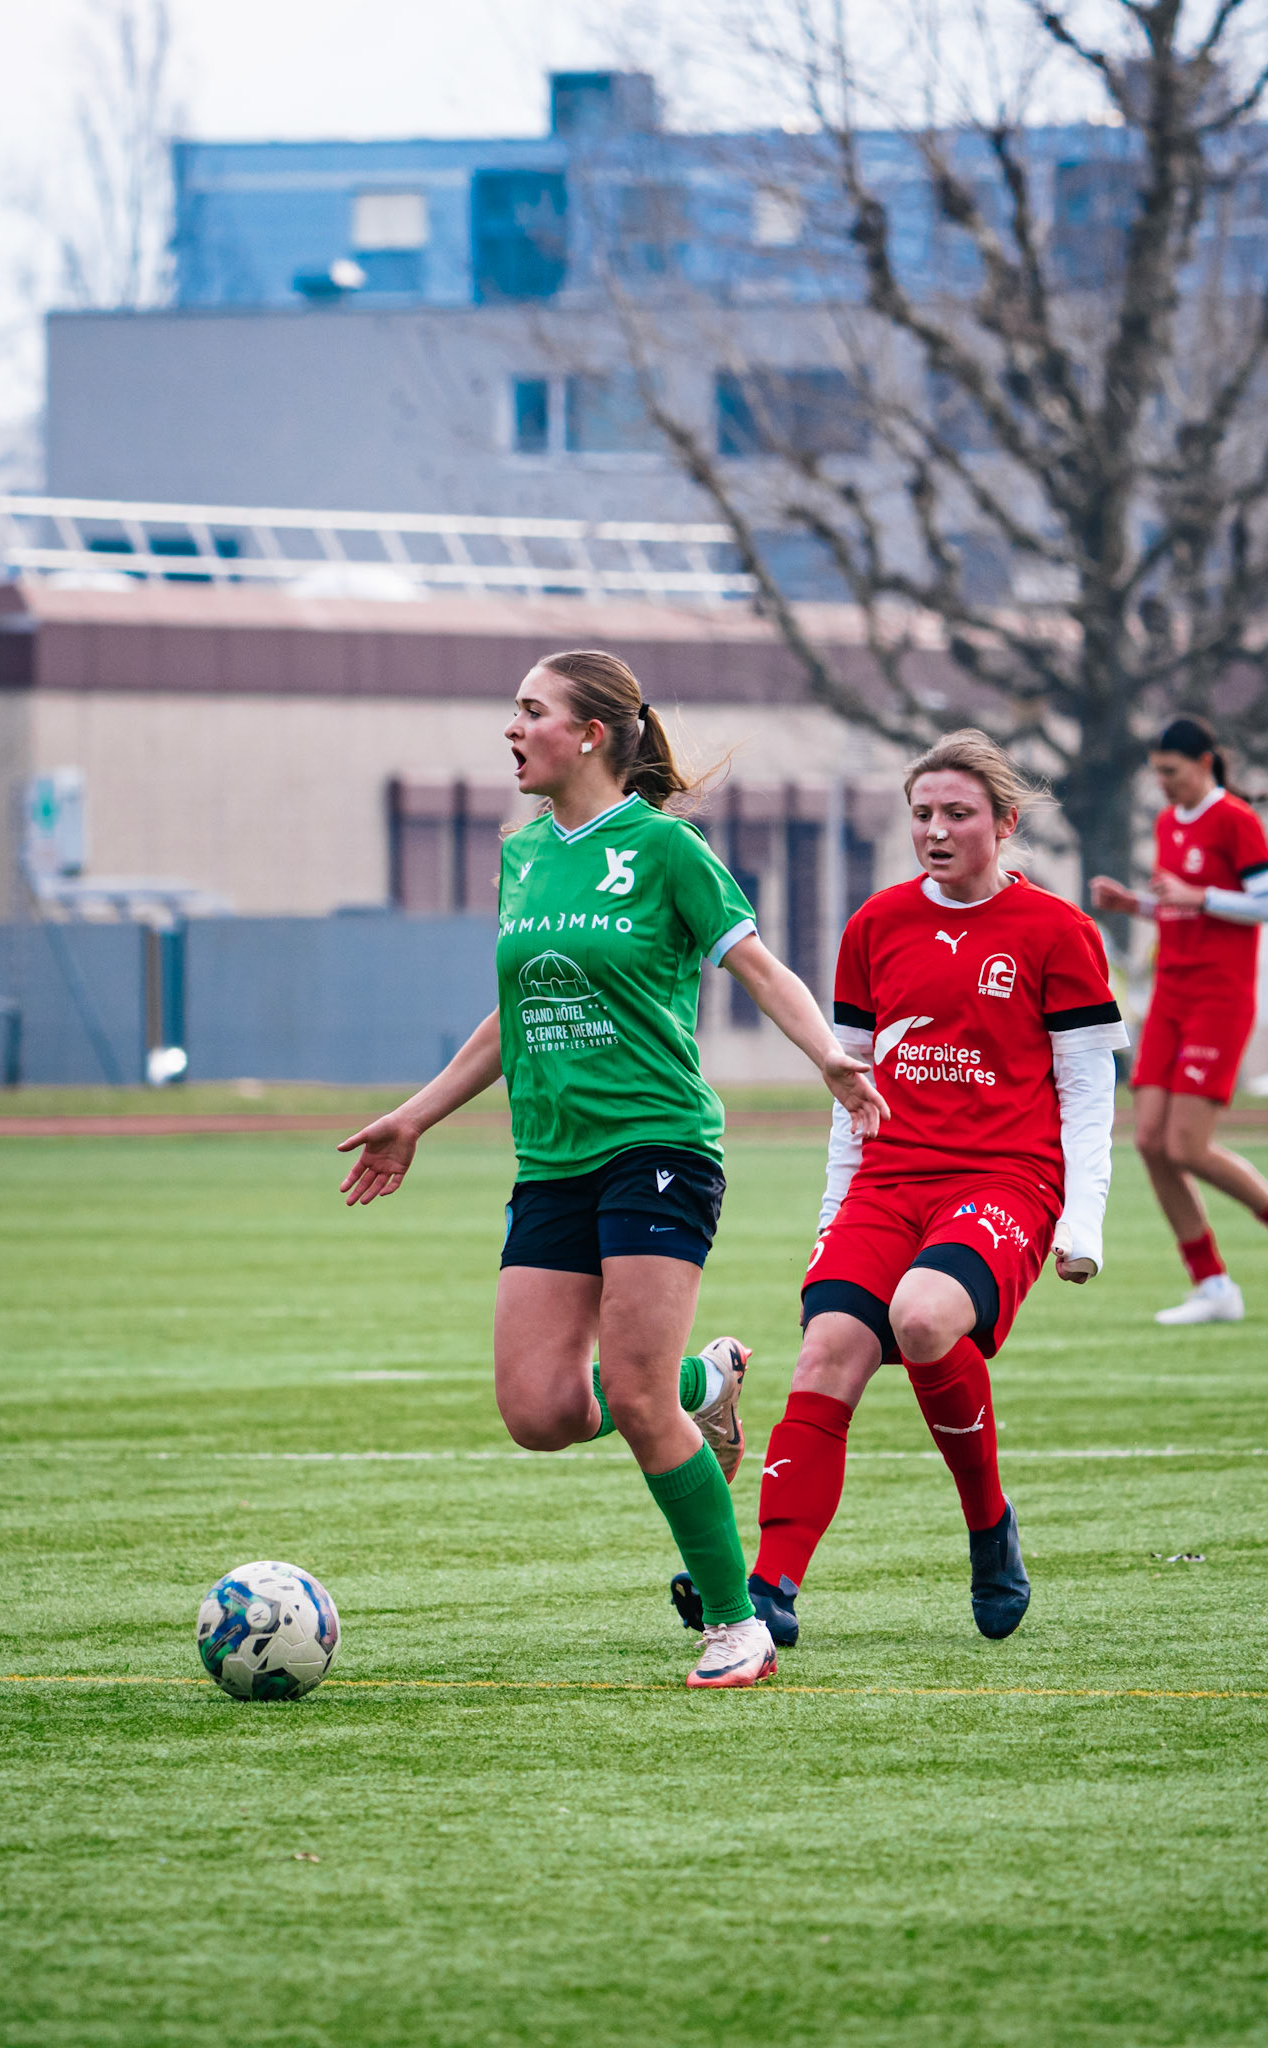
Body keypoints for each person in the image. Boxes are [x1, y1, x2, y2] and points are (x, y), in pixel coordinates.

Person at [337, 648, 886, 1690]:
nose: (511, 729)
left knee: (631, 1397)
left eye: (530, 710)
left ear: (589, 734)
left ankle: (737, 1625)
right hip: (551, 1160)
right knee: (538, 1412)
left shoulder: (665, 849)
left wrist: (827, 1055)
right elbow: (517, 1008)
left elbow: (758, 966)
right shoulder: (523, 856)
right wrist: (414, 1117)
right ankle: (703, 1382)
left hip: (658, 1146)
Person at [672, 729, 1128, 1650]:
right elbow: (852, 1091)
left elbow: (1086, 1090)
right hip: (886, 1182)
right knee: (825, 1353)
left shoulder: (1058, 932)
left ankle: (988, 1525)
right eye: (922, 814)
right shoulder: (874, 926)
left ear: (1004, 823)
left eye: (957, 813)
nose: (935, 830)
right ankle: (769, 1586)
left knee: (921, 1319)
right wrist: (833, 1211)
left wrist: (1082, 1222)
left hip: (1005, 1180)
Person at [1091, 716, 1268, 1324]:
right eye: (1157, 773)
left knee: (1187, 1145)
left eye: (1171, 772)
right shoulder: (1168, 821)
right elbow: (1181, 909)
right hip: (1170, 996)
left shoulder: (1235, 820)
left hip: (1218, 1000)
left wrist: (1199, 896)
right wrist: (1135, 905)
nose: (1163, 784)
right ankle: (1213, 1284)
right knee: (1150, 1142)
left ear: (1204, 763)